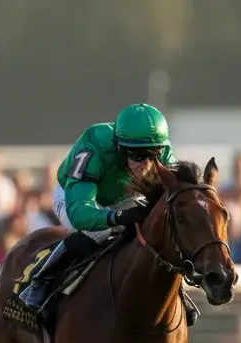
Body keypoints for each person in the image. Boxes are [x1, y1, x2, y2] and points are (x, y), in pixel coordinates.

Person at [15, 103, 199, 326]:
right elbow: (79, 213)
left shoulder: (163, 153)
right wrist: (116, 218)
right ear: (121, 148)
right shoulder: (95, 147)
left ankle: (177, 290)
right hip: (75, 196)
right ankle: (40, 282)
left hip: (126, 196)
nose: (148, 165)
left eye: (155, 155)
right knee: (96, 234)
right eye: (139, 156)